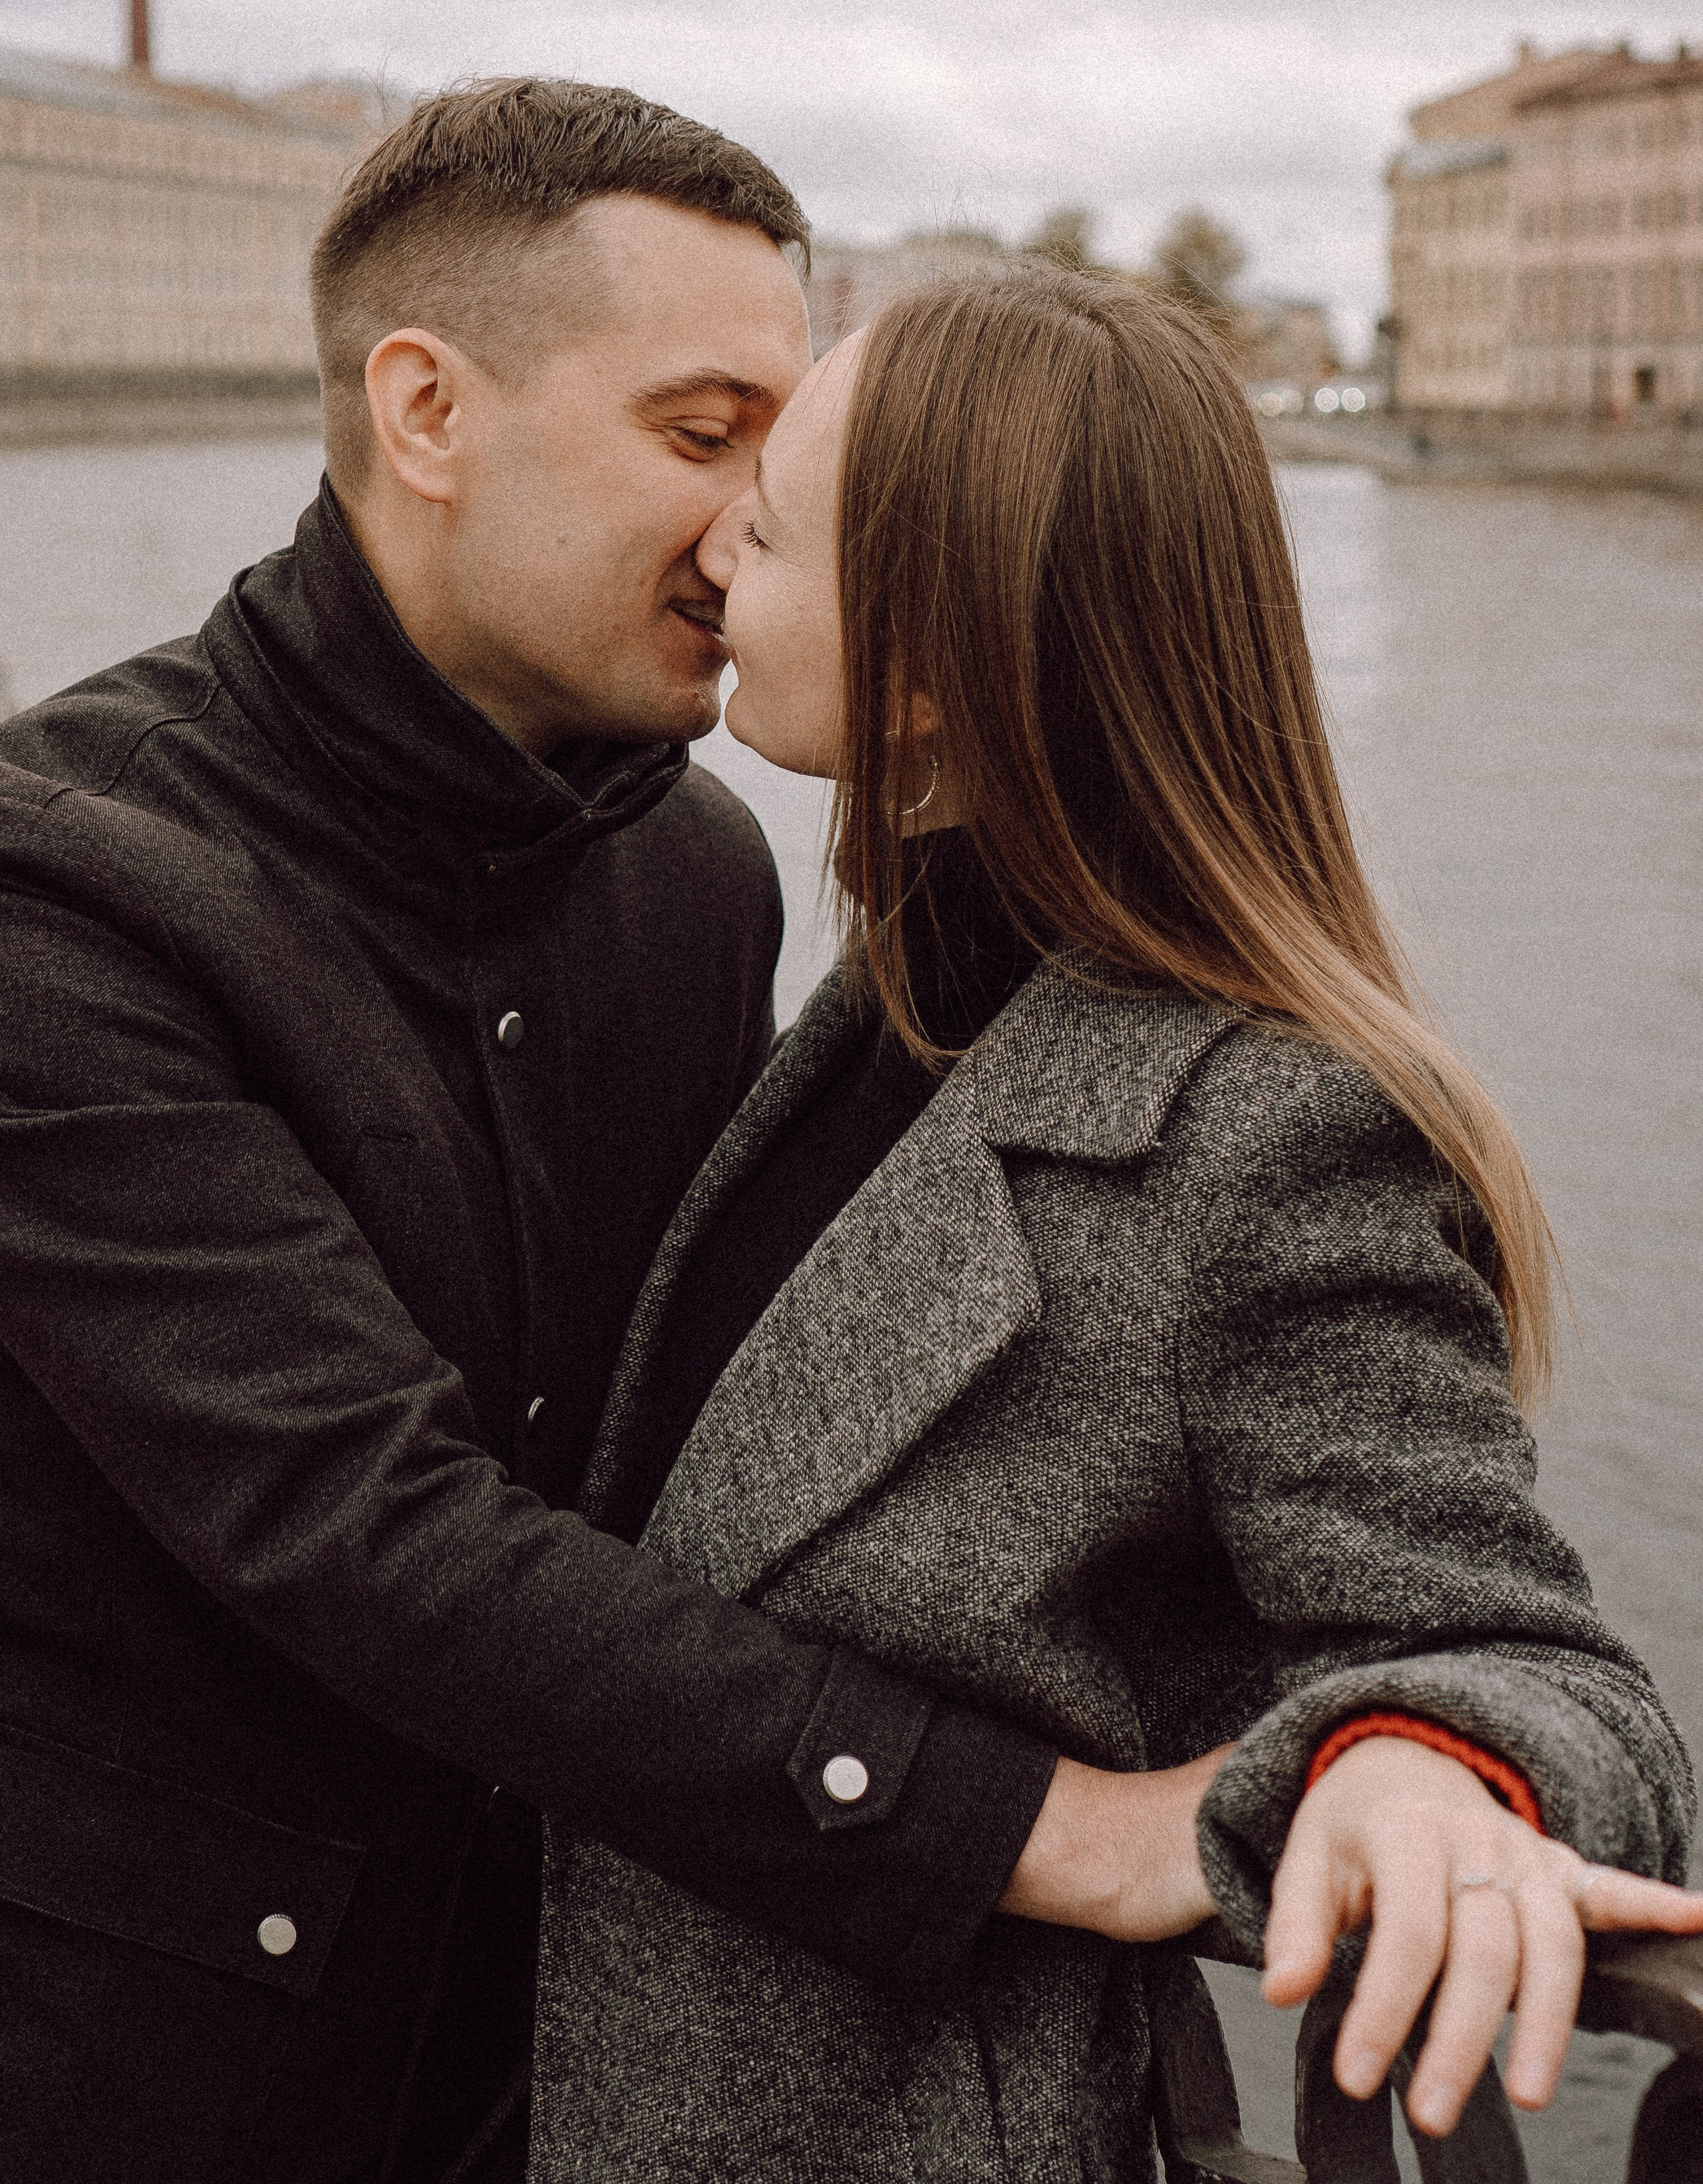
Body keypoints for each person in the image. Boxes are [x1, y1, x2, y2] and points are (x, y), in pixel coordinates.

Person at [0, 86, 1183, 2183]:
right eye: (699, 433)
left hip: (592, 2076)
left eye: (779, 454)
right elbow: (367, 1528)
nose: (748, 532)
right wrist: (1027, 1829)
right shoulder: (68, 890)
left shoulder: (704, 870)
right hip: (150, 2083)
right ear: (428, 411)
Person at [528, 268, 1703, 2181]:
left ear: (929, 662)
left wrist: (1421, 1761)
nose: (712, 532)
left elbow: (1546, 1674)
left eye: (776, 515)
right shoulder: (900, 987)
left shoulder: (1261, 1126)